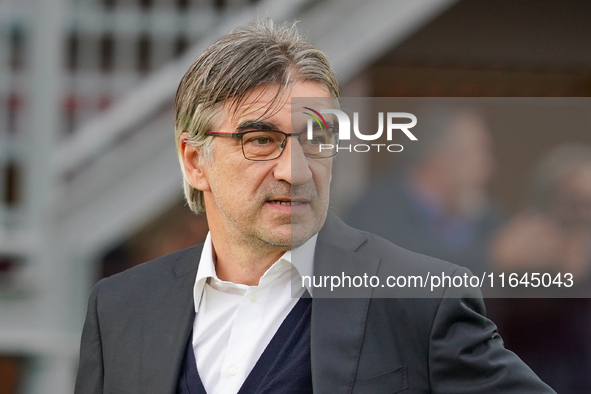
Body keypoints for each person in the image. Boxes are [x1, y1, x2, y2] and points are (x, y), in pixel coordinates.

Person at [74, 20, 554, 393]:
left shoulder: (418, 301)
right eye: (261, 140)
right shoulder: (119, 309)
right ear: (195, 160)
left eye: (316, 139)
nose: (296, 170)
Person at [346, 107, 503, 276]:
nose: (489, 168)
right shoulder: (373, 215)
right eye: (477, 155)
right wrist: (489, 257)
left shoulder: (482, 217)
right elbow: (404, 276)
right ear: (439, 160)